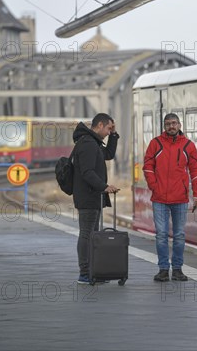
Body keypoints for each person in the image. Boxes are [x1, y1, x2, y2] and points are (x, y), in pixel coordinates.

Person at [143, 113, 197, 282]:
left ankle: (177, 269)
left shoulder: (188, 146)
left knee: (179, 235)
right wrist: (154, 186)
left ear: (180, 125)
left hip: (180, 199)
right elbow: (148, 166)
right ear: (164, 126)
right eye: (168, 124)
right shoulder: (155, 144)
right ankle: (163, 269)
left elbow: (195, 171)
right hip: (159, 198)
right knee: (161, 234)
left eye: (174, 123)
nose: (171, 126)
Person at [72, 113, 120, 284]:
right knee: (86, 234)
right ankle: (85, 273)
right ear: (100, 125)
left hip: (92, 195)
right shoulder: (87, 144)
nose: (108, 132)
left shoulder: (93, 142)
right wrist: (104, 187)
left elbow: (108, 154)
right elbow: (87, 172)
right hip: (88, 196)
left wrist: (114, 135)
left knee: (92, 235)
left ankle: (93, 271)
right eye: (108, 129)